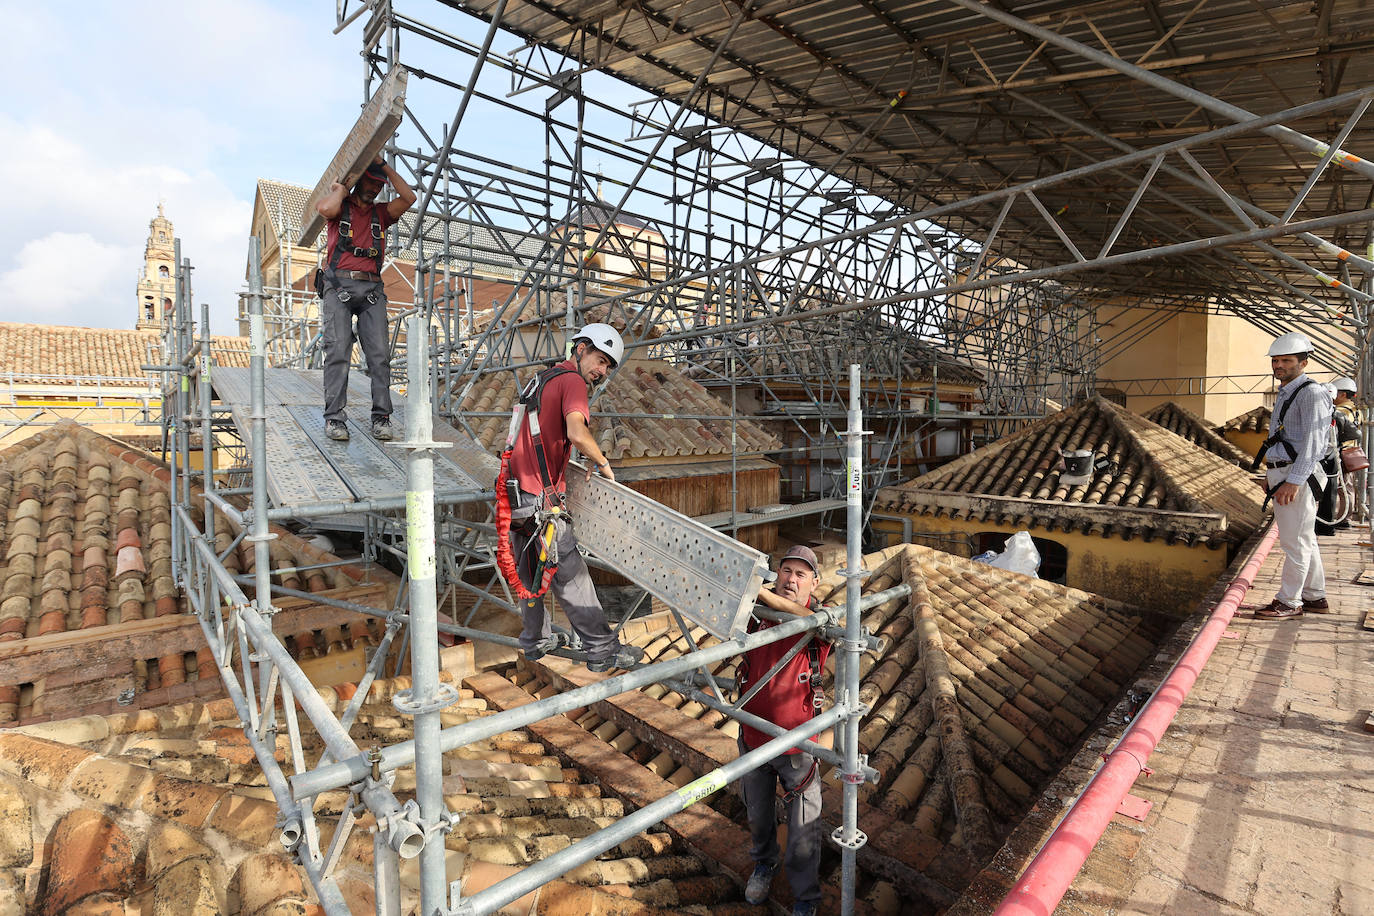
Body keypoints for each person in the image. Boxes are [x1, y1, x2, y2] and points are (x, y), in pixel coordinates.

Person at [510, 324, 644, 673]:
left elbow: (543, 435)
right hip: (541, 501)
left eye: (607, 367)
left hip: (517, 496)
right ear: (580, 348)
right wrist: (601, 460)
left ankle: (535, 640)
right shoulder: (573, 382)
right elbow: (575, 429)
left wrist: (574, 454)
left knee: (531, 574)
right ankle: (602, 649)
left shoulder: (540, 380)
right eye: (600, 360)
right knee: (572, 576)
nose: (601, 371)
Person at [737, 545, 832, 916]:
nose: (790, 580)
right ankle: (764, 863)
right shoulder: (758, 614)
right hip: (753, 735)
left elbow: (804, 616)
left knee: (804, 831)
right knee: (758, 814)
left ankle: (806, 898)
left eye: (800, 574)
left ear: (814, 582)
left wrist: (759, 591)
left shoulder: (822, 618)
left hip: (796, 744)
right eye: (786, 571)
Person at [315, 156, 417, 442]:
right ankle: (335, 419)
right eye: (371, 182)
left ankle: (381, 417)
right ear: (359, 181)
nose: (375, 188)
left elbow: (409, 197)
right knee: (338, 353)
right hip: (339, 288)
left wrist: (384, 166)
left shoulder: (381, 214)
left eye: (379, 185)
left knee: (380, 356)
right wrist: (340, 189)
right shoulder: (341, 208)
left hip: (372, 291)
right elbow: (324, 207)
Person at [1254, 332, 1332, 619]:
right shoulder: (1288, 392)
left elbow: (1314, 443)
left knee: (1293, 541)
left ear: (1304, 363)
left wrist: (1293, 481)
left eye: (1286, 360)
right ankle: (1314, 596)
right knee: (1304, 538)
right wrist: (1270, 473)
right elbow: (1282, 439)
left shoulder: (1311, 393)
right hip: (1284, 471)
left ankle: (1290, 601)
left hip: (1297, 475)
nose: (1279, 366)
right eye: (1276, 361)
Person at [1332, 377, 1362, 528]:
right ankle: (1346, 517)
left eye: (1335, 393)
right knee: (1348, 486)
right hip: (1352, 453)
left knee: (1340, 487)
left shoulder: (1340, 411)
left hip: (1341, 453)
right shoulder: (1356, 411)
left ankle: (1343, 519)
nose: (1333, 397)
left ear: (1343, 394)